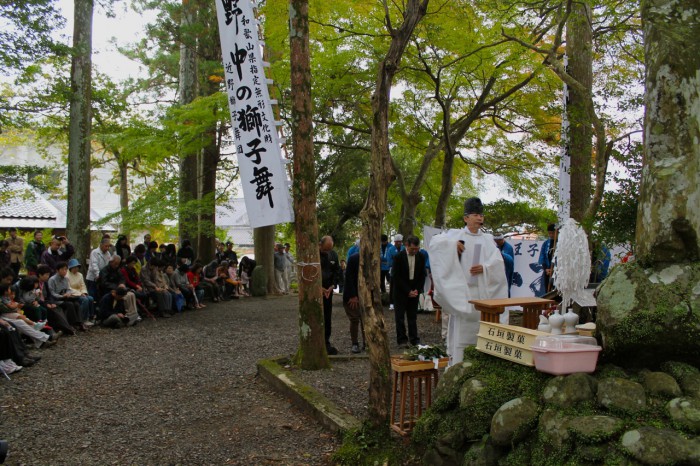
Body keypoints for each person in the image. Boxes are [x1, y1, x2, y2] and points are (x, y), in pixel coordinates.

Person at [428, 197, 508, 366]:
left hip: (482, 292)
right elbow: (434, 244)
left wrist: (485, 268)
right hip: (463, 293)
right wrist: (451, 245)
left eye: (481, 215)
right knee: (462, 332)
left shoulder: (487, 239)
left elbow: (498, 263)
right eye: (475, 215)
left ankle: (483, 364)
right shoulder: (455, 235)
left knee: (482, 329)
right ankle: (459, 364)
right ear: (466, 218)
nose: (479, 218)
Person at [391, 235, 427, 347]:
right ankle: (402, 340)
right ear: (406, 245)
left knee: (412, 317)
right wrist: (407, 291)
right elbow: (396, 277)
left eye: (417, 249)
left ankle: (414, 339)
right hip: (401, 290)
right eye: (412, 249)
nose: (414, 251)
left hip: (414, 289)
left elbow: (422, 275)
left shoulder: (421, 256)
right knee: (400, 317)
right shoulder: (398, 257)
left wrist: (417, 290)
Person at [47, 261, 88, 331]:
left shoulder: (66, 279)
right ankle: (71, 324)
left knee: (76, 304)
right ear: (57, 270)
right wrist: (61, 296)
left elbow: (68, 289)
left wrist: (68, 293)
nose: (64, 271)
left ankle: (80, 323)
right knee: (70, 305)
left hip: (66, 298)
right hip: (57, 300)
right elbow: (52, 293)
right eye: (62, 269)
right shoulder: (52, 279)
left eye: (66, 269)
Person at [319, 235, 341, 355]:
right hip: (317, 290)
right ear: (320, 245)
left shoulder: (333, 255)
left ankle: (326, 342)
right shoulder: (314, 255)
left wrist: (333, 286)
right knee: (317, 315)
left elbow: (337, 270)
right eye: (325, 249)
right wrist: (319, 287)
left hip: (329, 290)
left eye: (329, 249)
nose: (327, 252)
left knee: (327, 316)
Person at [342, 252, 364, 354]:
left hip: (366, 293)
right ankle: (355, 343)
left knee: (366, 319)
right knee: (354, 319)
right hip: (353, 294)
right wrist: (353, 295)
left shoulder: (374, 258)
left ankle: (367, 342)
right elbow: (349, 278)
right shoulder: (353, 258)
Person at [66, 259, 95, 323]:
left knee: (91, 298)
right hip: (73, 294)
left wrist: (84, 292)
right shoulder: (67, 275)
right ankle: (82, 318)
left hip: (81, 293)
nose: (76, 269)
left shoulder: (80, 275)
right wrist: (80, 293)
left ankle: (91, 317)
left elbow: (83, 285)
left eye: (77, 267)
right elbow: (68, 288)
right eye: (74, 267)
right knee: (85, 300)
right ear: (71, 267)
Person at [537, 224, 557, 296]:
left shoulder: (560, 243)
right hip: (547, 271)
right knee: (547, 290)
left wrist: (554, 270)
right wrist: (546, 269)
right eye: (549, 233)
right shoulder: (546, 243)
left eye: (552, 233)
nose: (551, 235)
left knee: (556, 291)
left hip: (557, 272)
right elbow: (542, 257)